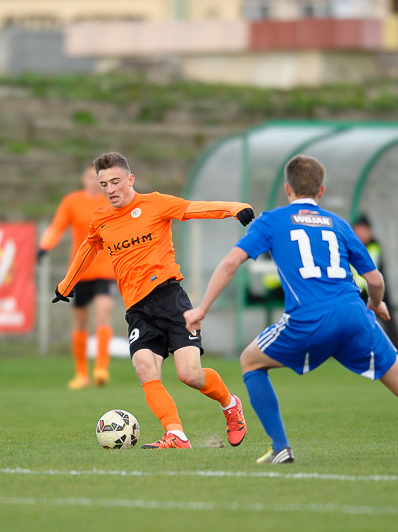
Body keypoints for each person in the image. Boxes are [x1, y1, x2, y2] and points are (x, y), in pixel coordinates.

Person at [184, 154, 398, 464]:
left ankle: (281, 448)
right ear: (321, 191)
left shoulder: (271, 220)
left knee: (250, 361)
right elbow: (375, 279)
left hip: (309, 319)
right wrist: (376, 303)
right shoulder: (338, 224)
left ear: (287, 189)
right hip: (355, 316)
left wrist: (202, 308)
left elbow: (231, 262)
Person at [52, 151, 255, 449]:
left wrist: (234, 208)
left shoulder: (155, 203)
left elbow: (193, 209)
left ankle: (230, 403)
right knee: (144, 367)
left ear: (130, 179)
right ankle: (176, 434)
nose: (110, 189)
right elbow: (88, 249)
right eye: (104, 184)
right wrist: (66, 285)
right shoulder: (101, 219)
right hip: (137, 309)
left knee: (190, 375)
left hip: (170, 299)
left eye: (115, 181)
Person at [39, 163, 117, 389]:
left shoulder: (111, 202)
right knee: (80, 322)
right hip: (80, 270)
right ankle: (81, 373)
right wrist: (45, 246)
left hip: (106, 270)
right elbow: (57, 227)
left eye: (98, 179)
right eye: (90, 177)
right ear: (84, 179)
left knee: (103, 314)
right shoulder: (72, 202)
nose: (94, 182)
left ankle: (101, 368)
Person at [351, 214, 398, 350]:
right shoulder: (351, 245)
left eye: (364, 230)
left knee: (386, 313)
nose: (361, 233)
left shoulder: (374, 246)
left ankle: (397, 345)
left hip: (372, 289)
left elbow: (372, 275)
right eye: (358, 230)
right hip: (358, 290)